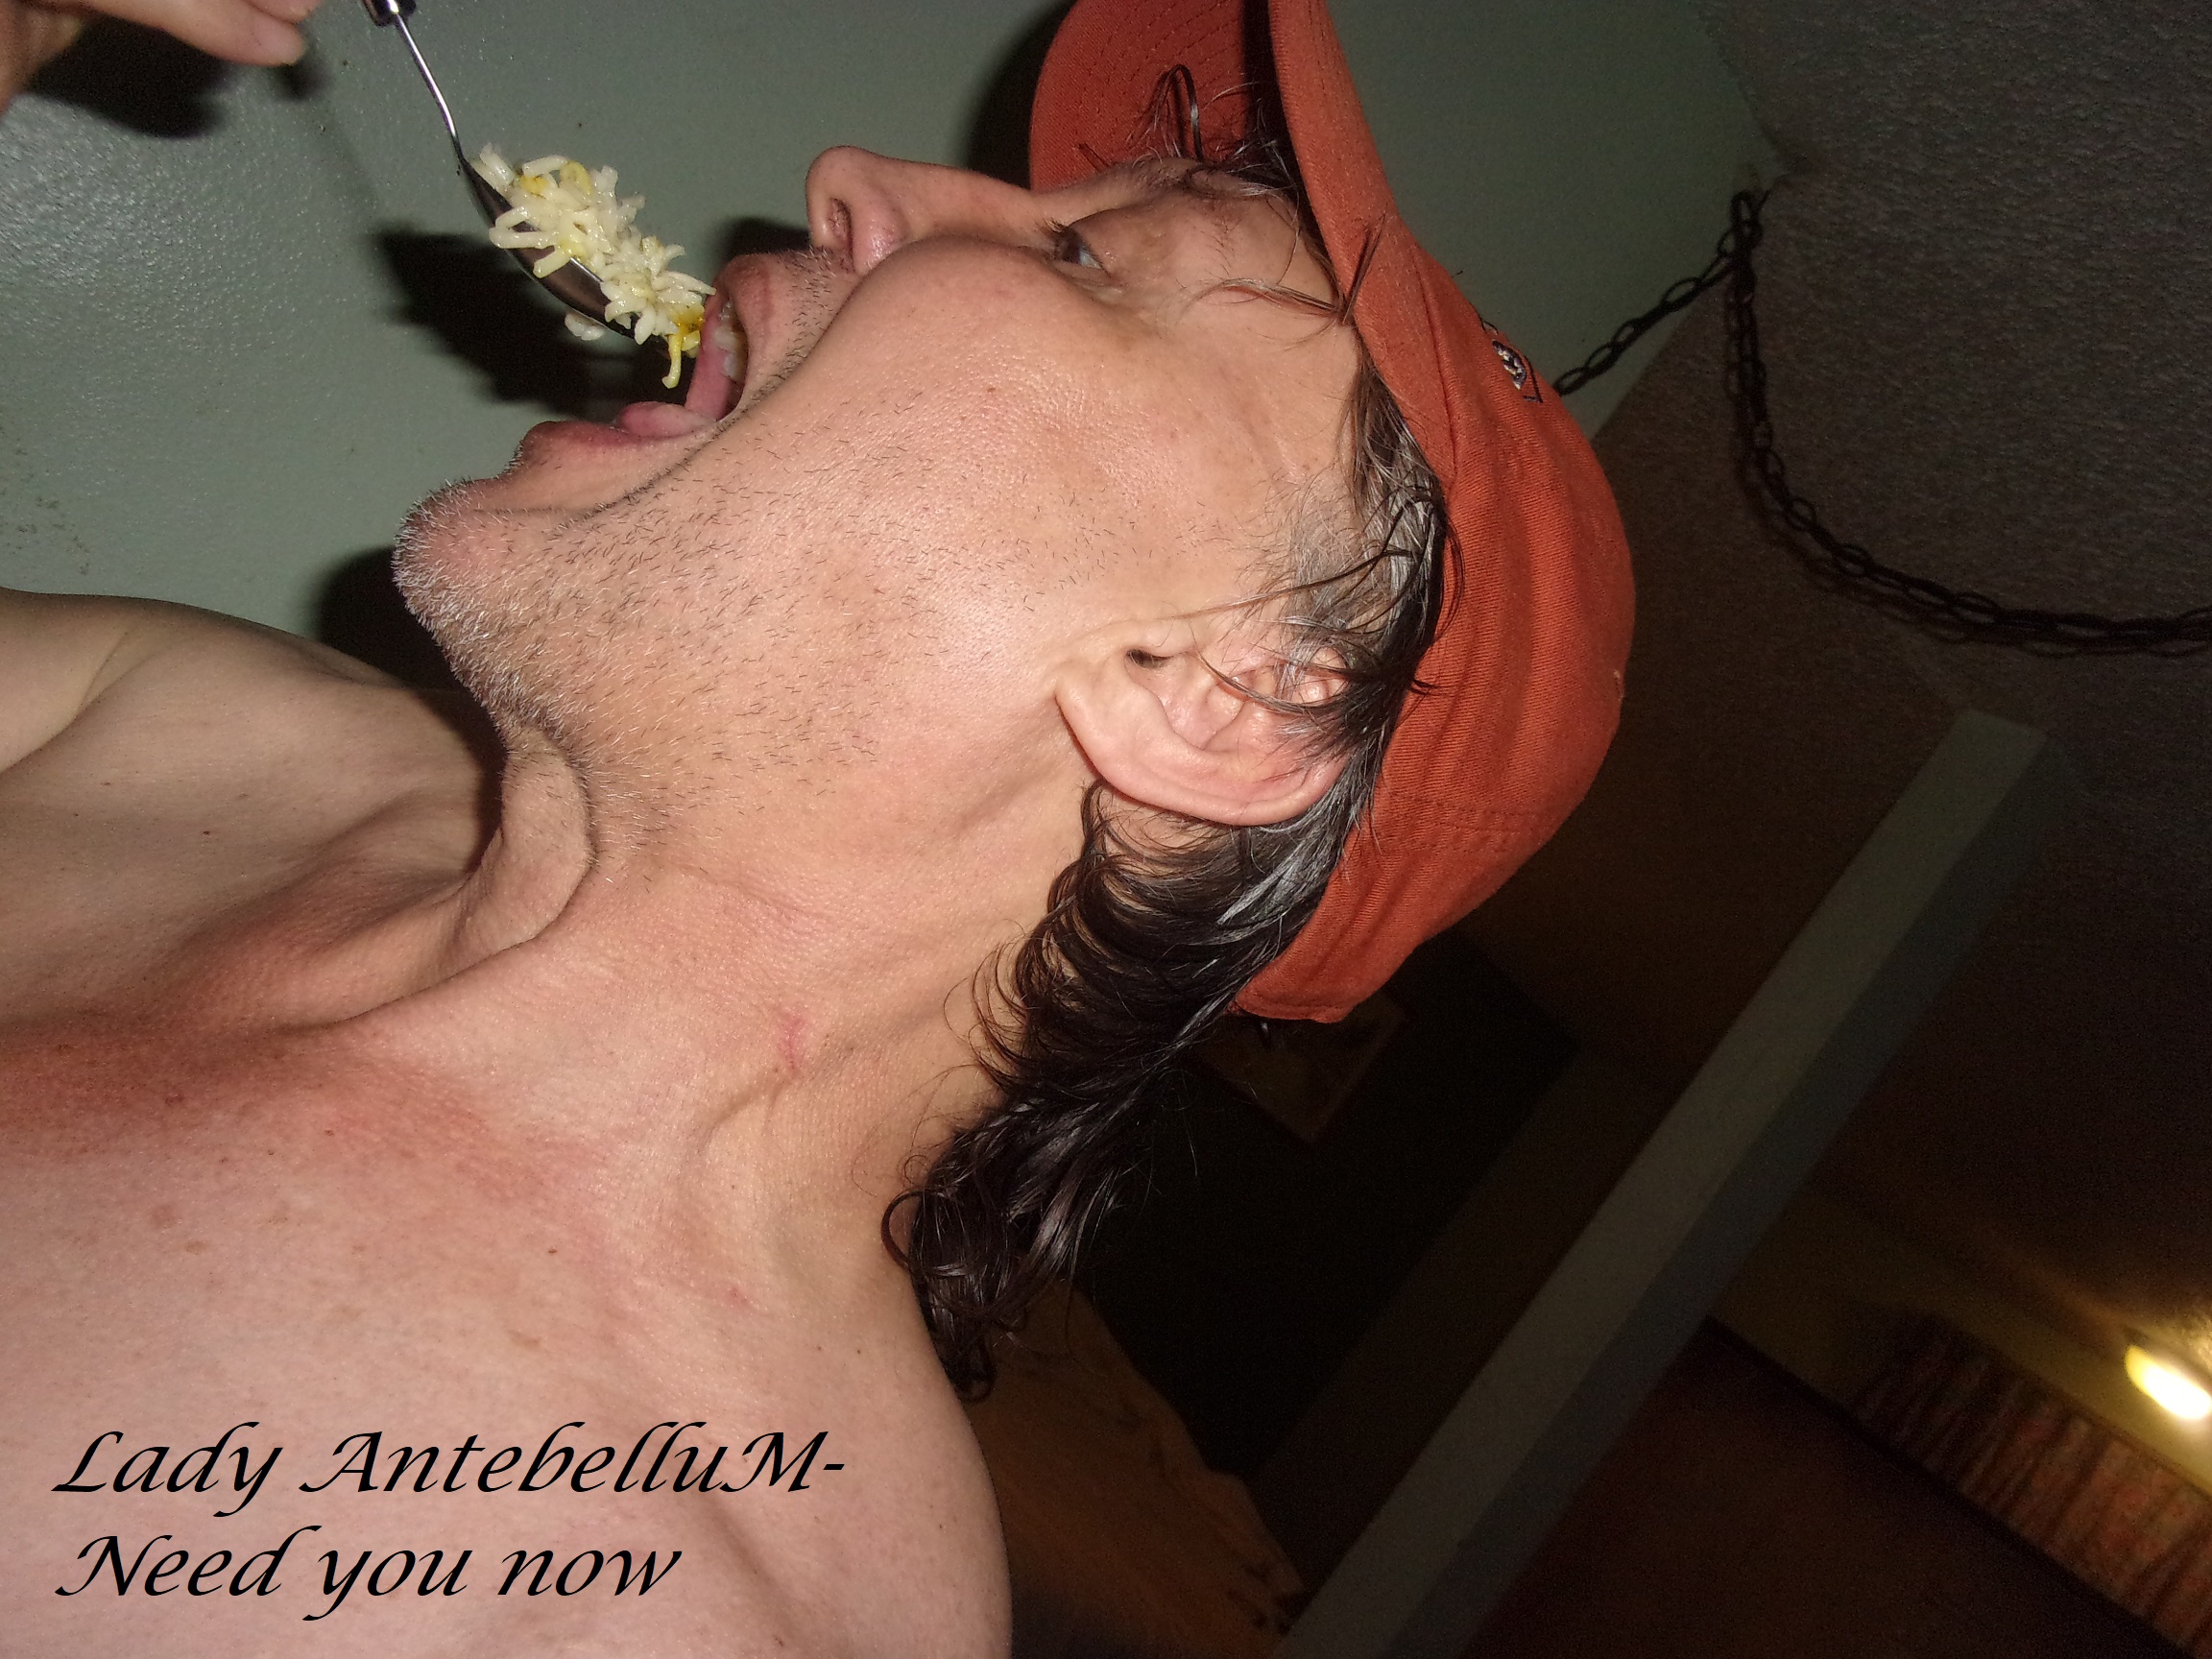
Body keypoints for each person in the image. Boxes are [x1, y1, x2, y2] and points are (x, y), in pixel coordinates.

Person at [0, 0, 1632, 1651]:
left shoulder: (651, 1607)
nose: (851, 176)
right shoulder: (187, 732)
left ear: (1221, 700)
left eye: (1085, 262)